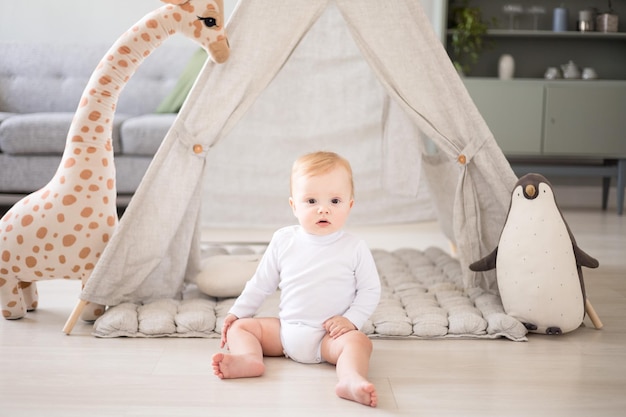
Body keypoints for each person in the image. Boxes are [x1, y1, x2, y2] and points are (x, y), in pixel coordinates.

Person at [211, 151, 382, 407]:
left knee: (359, 342)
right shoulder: (284, 240)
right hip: (284, 333)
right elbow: (261, 283)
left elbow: (370, 290)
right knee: (242, 327)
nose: (323, 208)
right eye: (311, 200)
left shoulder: (354, 247)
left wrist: (351, 320)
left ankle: (350, 378)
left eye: (335, 201)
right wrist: (237, 312)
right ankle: (249, 359)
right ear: (294, 206)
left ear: (350, 205)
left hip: (329, 337)